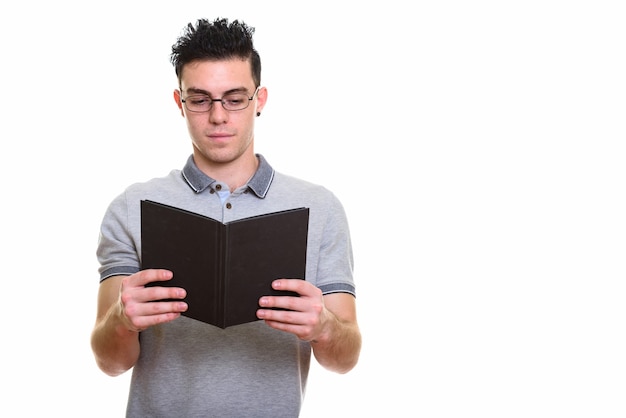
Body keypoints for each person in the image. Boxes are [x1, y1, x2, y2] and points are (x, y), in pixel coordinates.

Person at [90, 17, 361, 417]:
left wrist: (324, 327)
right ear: (179, 102)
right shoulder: (132, 207)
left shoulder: (319, 208)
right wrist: (121, 321)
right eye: (199, 100)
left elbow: (345, 358)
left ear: (260, 99)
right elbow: (111, 362)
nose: (218, 116)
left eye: (235, 99)